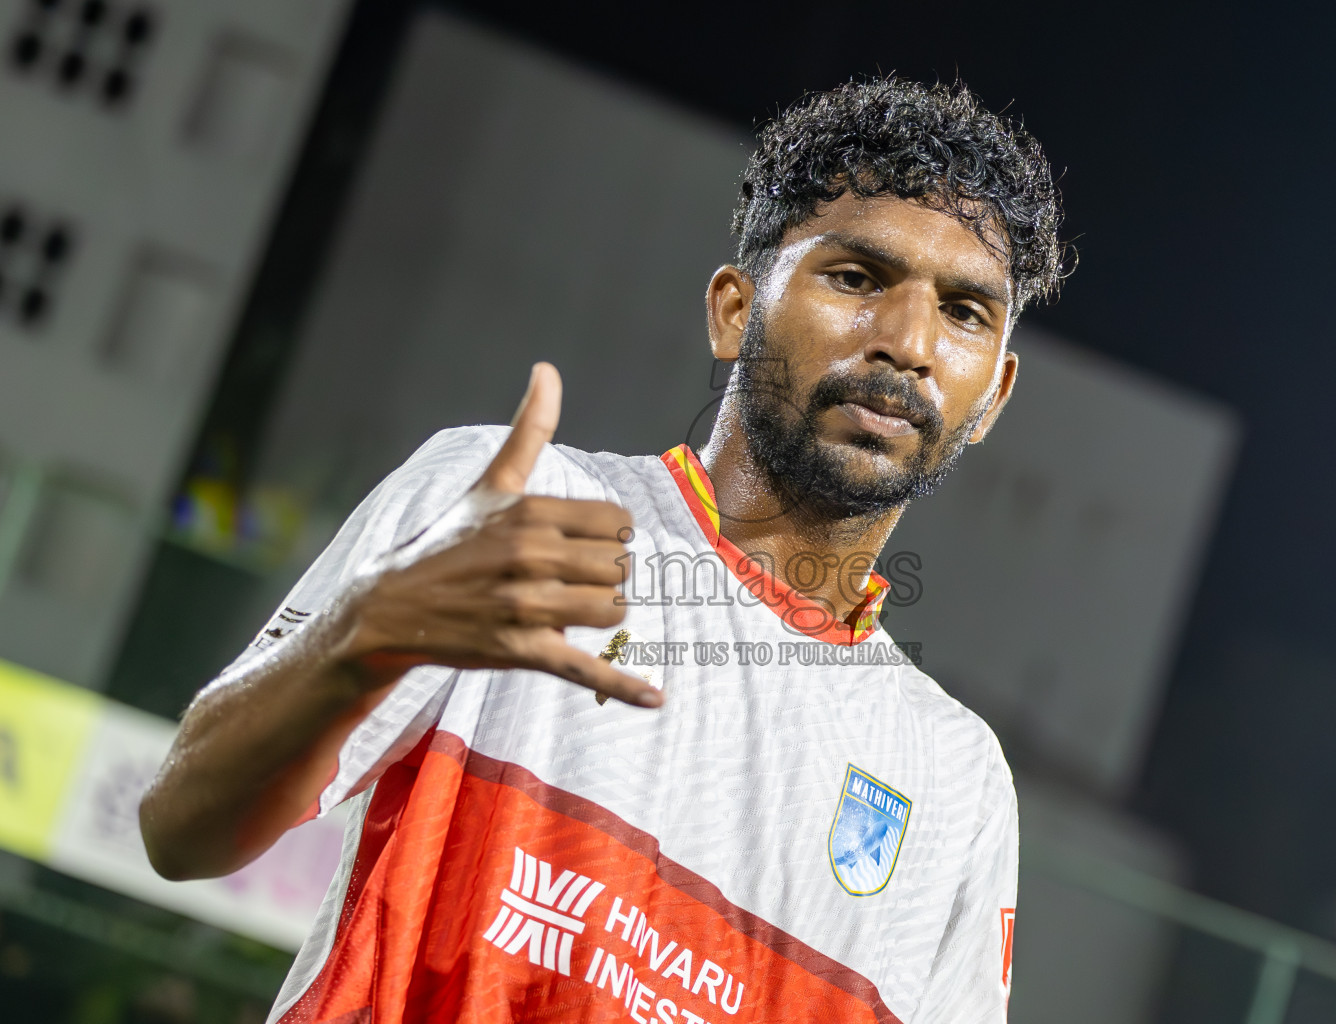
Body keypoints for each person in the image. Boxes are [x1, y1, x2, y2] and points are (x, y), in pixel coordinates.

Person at [140, 76, 1066, 1024]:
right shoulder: (515, 505)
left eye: (964, 312)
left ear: (992, 396)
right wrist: (359, 638)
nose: (907, 341)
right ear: (734, 311)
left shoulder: (957, 779)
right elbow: (181, 832)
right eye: (856, 278)